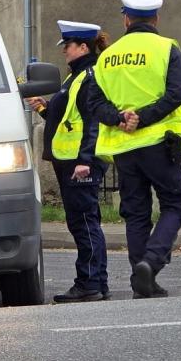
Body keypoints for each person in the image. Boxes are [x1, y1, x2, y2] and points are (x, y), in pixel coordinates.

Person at [89, 0, 181, 299]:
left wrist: (121, 119)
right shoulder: (167, 49)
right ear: (156, 18)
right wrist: (143, 118)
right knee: (176, 203)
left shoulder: (107, 57)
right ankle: (150, 262)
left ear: (126, 19)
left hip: (124, 148)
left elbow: (94, 102)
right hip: (160, 144)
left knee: (136, 212)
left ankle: (141, 280)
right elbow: (177, 93)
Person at [26, 20, 110, 303]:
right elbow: (68, 119)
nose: (64, 51)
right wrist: (45, 108)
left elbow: (93, 121)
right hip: (71, 160)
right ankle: (97, 281)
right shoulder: (74, 77)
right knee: (85, 222)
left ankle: (88, 283)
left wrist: (85, 159)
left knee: (84, 223)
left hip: (79, 162)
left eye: (68, 46)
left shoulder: (88, 77)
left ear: (83, 47)